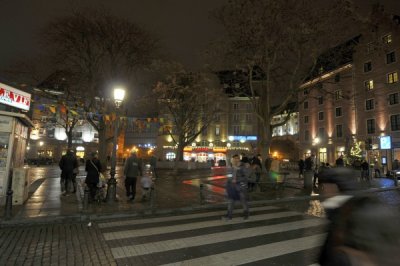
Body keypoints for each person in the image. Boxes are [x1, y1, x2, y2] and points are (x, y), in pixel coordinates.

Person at [223, 154, 250, 220]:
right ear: (232, 159)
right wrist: (229, 180)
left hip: (241, 187)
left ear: (239, 159)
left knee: (243, 201)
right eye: (234, 159)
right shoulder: (230, 167)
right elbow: (228, 176)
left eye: (237, 159)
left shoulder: (243, 167)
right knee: (231, 201)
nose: (235, 160)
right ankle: (229, 215)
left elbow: (246, 177)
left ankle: (246, 214)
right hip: (232, 187)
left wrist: (237, 179)